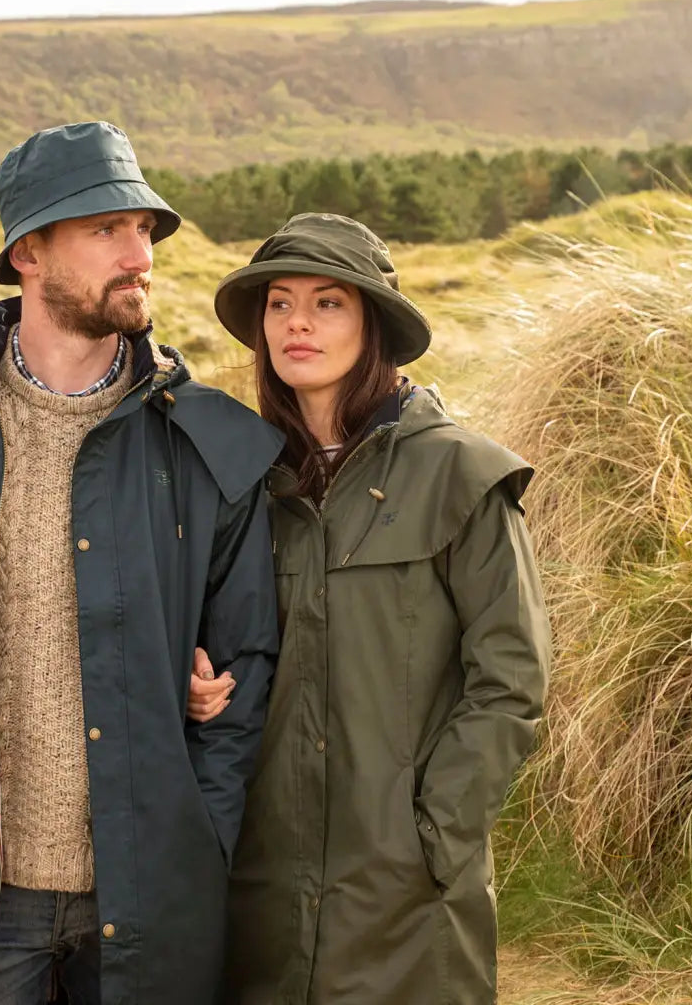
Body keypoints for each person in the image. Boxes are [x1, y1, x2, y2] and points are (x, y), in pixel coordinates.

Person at [0, 121, 284, 1005]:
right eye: (106, 229)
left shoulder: (208, 445)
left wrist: (204, 832)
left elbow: (247, 657)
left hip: (149, 896)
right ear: (28, 252)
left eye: (145, 230)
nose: (138, 254)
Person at [187, 212, 551, 1004]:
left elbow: (512, 680)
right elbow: (216, 644)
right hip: (262, 883)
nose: (297, 324)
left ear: (373, 323)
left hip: (405, 894)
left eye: (328, 303)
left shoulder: (460, 475)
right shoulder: (243, 485)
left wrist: (435, 832)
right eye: (279, 304)